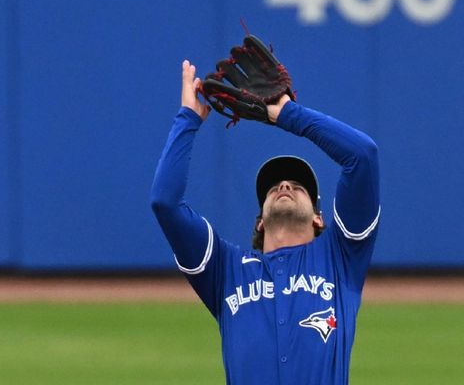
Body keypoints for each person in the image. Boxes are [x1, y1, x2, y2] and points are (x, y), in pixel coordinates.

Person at [151, 59, 379, 385]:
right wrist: (187, 119)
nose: (285, 186)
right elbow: (165, 202)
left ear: (319, 217)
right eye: (274, 188)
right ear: (260, 221)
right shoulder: (226, 269)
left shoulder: (341, 259)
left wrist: (289, 114)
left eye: (298, 187)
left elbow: (362, 156)